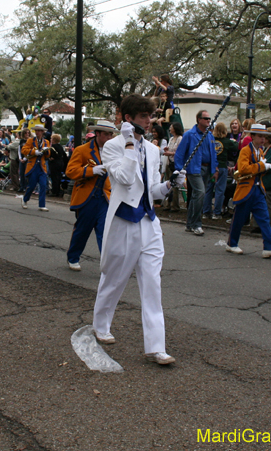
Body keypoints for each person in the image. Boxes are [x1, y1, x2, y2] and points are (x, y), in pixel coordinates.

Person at [92, 95, 185, 365]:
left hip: (149, 223)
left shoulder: (154, 150)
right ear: (129, 118)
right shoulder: (112, 146)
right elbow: (123, 177)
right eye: (143, 116)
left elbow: (152, 190)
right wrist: (130, 144)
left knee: (153, 284)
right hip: (123, 222)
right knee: (114, 278)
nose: (148, 120)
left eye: (150, 115)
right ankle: (101, 324)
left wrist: (169, 185)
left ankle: (157, 346)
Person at [225, 124, 271, 257]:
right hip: (246, 189)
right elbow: (243, 168)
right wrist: (261, 166)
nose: (263, 139)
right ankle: (231, 244)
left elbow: (257, 169)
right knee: (239, 219)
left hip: (258, 189)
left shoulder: (261, 151)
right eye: (260, 136)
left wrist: (264, 168)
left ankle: (269, 247)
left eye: (264, 137)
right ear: (252, 137)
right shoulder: (245, 150)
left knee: (264, 218)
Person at [65, 121, 117, 271]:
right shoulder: (82, 150)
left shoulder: (114, 151)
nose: (109, 137)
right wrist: (91, 171)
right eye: (106, 134)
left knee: (105, 232)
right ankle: (73, 257)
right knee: (83, 230)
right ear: (98, 134)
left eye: (111, 134)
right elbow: (70, 171)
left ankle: (106, 264)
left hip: (105, 197)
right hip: (87, 197)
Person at [174, 110, 217, 236]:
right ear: (198, 119)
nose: (208, 120)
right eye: (205, 118)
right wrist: (179, 169)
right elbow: (180, 153)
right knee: (200, 192)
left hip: (206, 168)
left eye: (209, 118)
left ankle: (190, 223)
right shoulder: (190, 135)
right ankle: (197, 224)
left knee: (195, 197)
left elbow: (213, 154)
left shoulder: (209, 135)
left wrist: (215, 169)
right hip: (194, 169)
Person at [204, 122, 238, 220]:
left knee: (208, 189)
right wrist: (234, 141)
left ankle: (206, 212)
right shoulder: (227, 141)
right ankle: (217, 212)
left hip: (211, 167)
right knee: (220, 190)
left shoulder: (211, 140)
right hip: (222, 167)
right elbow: (236, 146)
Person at [21, 124, 50, 211]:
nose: (37, 132)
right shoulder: (30, 141)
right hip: (33, 166)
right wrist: (34, 152)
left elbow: (48, 155)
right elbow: (23, 150)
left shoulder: (46, 142)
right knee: (32, 185)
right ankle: (25, 199)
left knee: (43, 185)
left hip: (41, 167)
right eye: (36, 130)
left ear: (42, 132)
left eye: (39, 130)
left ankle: (42, 205)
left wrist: (46, 151)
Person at [163, 122, 184, 212]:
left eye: (171, 127)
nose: (170, 128)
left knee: (175, 184)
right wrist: (167, 150)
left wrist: (170, 153)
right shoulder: (171, 139)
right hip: (169, 162)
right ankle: (168, 204)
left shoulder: (180, 139)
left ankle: (175, 205)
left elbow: (180, 152)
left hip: (175, 164)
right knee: (168, 183)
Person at [48, 133, 68, 198]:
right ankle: (58, 190)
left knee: (54, 178)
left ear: (54, 139)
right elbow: (64, 155)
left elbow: (51, 155)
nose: (51, 139)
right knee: (58, 177)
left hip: (54, 164)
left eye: (51, 138)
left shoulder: (53, 147)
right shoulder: (60, 146)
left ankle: (54, 191)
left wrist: (51, 158)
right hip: (60, 163)